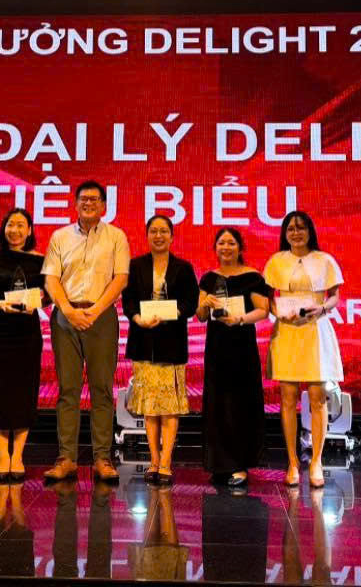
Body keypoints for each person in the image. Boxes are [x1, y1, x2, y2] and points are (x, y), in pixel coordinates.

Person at [40, 180, 130, 483]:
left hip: (101, 316)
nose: (88, 203)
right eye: (83, 199)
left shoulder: (116, 236)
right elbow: (51, 278)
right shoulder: (60, 236)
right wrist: (68, 310)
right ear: (75, 204)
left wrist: (95, 310)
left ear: (104, 205)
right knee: (68, 389)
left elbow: (120, 278)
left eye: (94, 199)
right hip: (66, 317)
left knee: (102, 388)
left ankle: (102, 458)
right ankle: (66, 458)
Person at [263, 210, 343, 488]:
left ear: (310, 231)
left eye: (301, 227)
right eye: (290, 229)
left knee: (318, 396)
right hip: (287, 331)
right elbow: (267, 298)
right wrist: (277, 312)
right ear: (284, 234)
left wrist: (322, 308)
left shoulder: (325, 260)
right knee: (287, 397)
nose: (296, 233)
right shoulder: (276, 261)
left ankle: (317, 460)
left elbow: (335, 296)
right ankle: (292, 462)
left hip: (315, 330)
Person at [121, 215, 198, 486]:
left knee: (169, 407)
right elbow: (128, 301)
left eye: (163, 231)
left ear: (172, 236)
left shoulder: (183, 268)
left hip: (172, 342)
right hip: (143, 341)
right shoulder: (135, 265)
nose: (158, 236)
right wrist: (137, 318)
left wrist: (173, 313)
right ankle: (153, 460)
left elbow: (191, 302)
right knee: (150, 407)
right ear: (147, 235)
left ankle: (166, 462)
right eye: (153, 231)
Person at [0, 207, 47, 481]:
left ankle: (18, 456)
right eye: (10, 225)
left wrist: (38, 301)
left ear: (29, 231)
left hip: (27, 334)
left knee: (24, 392)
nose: (14, 230)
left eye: (20, 225)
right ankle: (3, 456)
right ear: (4, 229)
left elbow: (51, 295)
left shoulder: (41, 261)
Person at [194, 227, 270, 486]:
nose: (225, 248)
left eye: (231, 243)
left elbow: (263, 310)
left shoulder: (252, 277)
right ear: (215, 248)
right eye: (221, 243)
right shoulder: (208, 278)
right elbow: (200, 316)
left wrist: (240, 319)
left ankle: (239, 465)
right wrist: (204, 304)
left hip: (242, 347)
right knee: (217, 403)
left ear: (240, 248)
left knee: (240, 403)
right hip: (216, 348)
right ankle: (219, 463)